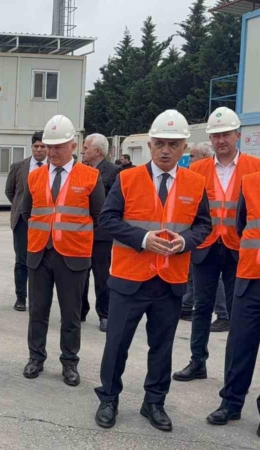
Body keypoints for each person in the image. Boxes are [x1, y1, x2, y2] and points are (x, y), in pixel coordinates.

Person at [94, 109, 211, 432]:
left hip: (170, 281)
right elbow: (108, 220)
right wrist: (143, 238)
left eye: (173, 145)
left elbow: (203, 225)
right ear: (149, 144)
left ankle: (154, 402)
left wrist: (185, 241)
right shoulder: (127, 178)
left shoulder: (195, 182)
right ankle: (109, 398)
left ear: (184, 147)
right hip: (129, 279)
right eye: (159, 143)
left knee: (162, 346)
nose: (165, 150)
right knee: (117, 344)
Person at [173, 107, 260, 383]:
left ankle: (233, 372)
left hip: (240, 250)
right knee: (201, 307)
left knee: (238, 314)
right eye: (215, 136)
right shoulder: (197, 171)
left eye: (225, 135)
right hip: (206, 247)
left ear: (237, 135)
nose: (220, 140)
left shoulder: (255, 168)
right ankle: (197, 361)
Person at [21, 116, 104, 386]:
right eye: (49, 146)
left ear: (73, 145)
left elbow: (98, 214)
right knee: (38, 311)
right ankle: (36, 357)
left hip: (73, 256)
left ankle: (69, 362)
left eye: (59, 146)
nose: (53, 152)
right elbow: (26, 210)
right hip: (40, 252)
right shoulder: (34, 177)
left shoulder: (90, 176)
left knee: (71, 314)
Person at [205, 167, 260, 438]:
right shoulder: (250, 183)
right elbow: (241, 226)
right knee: (240, 344)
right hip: (250, 277)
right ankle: (231, 402)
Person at [181, 142, 230, 330]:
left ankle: (223, 314)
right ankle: (186, 306)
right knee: (193, 275)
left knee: (214, 280)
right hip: (200, 237)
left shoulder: (210, 174)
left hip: (218, 239)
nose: (189, 159)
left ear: (202, 157)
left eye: (192, 156)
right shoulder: (198, 173)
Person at [79, 133, 120, 332]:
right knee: (80, 273)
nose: (82, 150)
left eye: (85, 147)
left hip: (101, 235)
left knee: (102, 275)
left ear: (97, 151)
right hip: (81, 232)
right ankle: (80, 310)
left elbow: (115, 204)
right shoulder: (82, 170)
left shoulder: (113, 172)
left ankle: (105, 314)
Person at [5, 131, 48, 312]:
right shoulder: (18, 167)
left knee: (43, 262)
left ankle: (40, 299)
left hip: (45, 221)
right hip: (22, 222)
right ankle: (21, 297)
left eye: (42, 146)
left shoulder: (53, 168)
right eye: (36, 146)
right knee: (21, 260)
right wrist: (21, 208)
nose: (39, 150)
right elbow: (10, 191)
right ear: (31, 148)